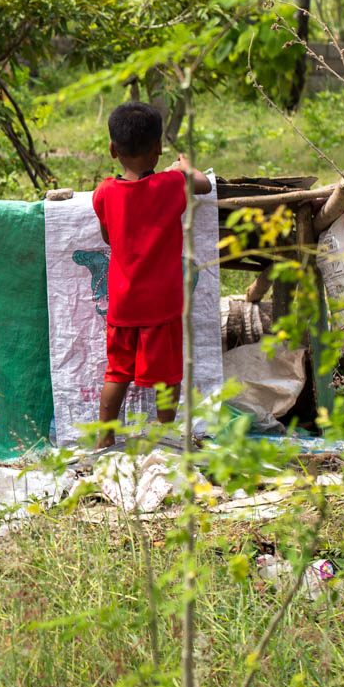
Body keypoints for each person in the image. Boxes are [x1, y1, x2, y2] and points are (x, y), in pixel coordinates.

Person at [92, 102, 211, 447]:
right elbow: (201, 184)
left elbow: (107, 237)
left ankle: (104, 440)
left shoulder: (104, 193)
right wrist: (184, 166)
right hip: (162, 303)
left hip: (123, 302)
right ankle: (163, 435)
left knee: (117, 371)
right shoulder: (171, 185)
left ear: (113, 150)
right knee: (166, 374)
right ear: (159, 148)